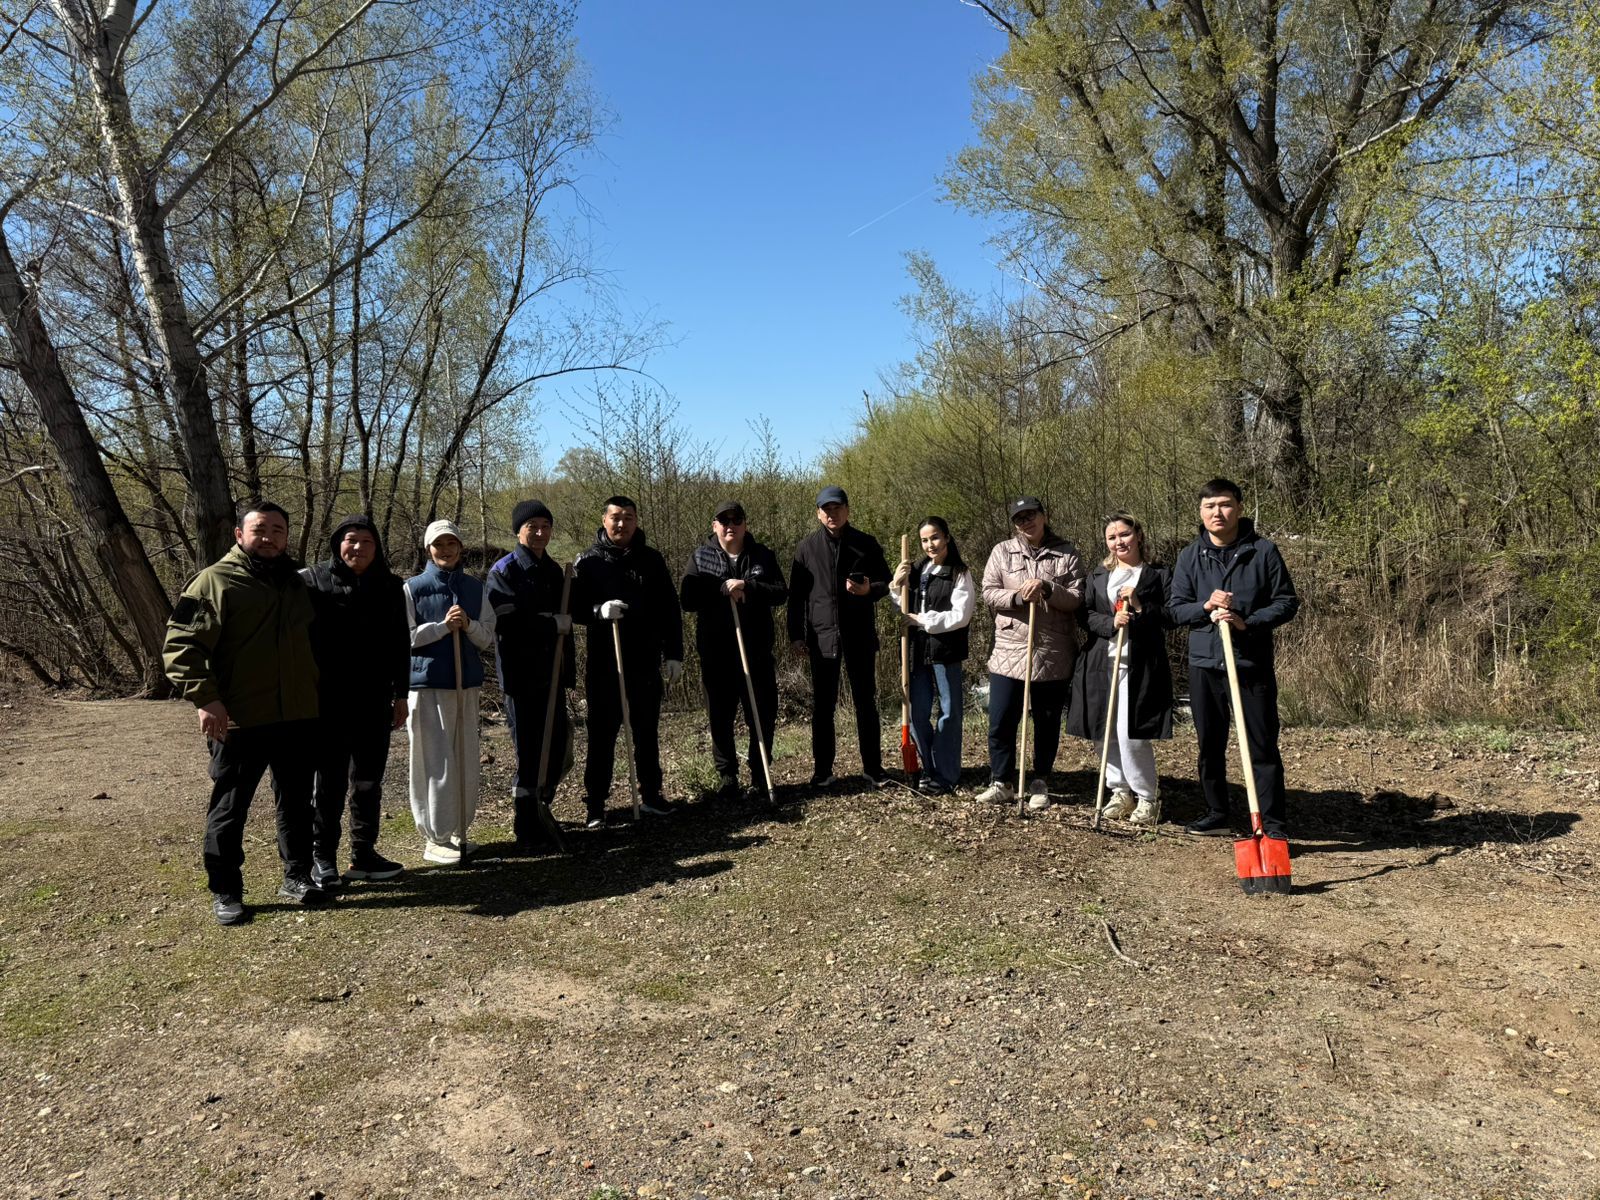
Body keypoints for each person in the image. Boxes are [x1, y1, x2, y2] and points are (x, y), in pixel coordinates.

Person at [163, 501, 324, 925]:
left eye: (278, 530)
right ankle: (226, 890)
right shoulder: (212, 582)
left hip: (296, 718)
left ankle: (297, 876)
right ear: (239, 535)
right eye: (259, 529)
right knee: (230, 807)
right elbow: (180, 648)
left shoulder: (295, 585)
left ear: (287, 538)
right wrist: (205, 699)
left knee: (296, 804)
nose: (269, 537)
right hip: (239, 720)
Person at [1168, 478, 1299, 837]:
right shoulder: (1190, 556)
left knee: (1261, 745)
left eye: (1225, 505)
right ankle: (1216, 811)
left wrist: (1247, 622)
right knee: (1210, 744)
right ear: (1201, 512)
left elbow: (1287, 602)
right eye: (1209, 506)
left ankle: (1272, 824)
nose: (1218, 513)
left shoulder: (1263, 551)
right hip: (1205, 665)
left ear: (1239, 508)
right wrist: (1205, 606)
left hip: (1250, 664)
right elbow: (1176, 609)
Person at [297, 516, 410, 889]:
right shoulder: (312, 581)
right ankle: (322, 859)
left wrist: (400, 694)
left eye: (366, 541)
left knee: (368, 782)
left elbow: (399, 644)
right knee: (329, 783)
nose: (357, 548)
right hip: (327, 703)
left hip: (374, 702)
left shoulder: (391, 586)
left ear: (376, 548)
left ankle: (364, 854)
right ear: (337, 544)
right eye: (350, 540)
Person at [573, 496, 684, 827]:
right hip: (605, 665)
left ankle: (650, 796)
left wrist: (674, 653)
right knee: (602, 736)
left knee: (647, 733)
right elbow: (574, 609)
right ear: (604, 520)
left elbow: (669, 609)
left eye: (629, 518)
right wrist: (598, 612)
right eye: (616, 517)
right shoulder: (588, 562)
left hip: (645, 661)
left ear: (637, 521)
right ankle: (595, 805)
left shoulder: (651, 560)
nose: (622, 524)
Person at [976, 496, 1086, 810]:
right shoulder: (1002, 551)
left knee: (1047, 722)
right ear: (1014, 524)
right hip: (1010, 650)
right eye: (1020, 518)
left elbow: (1077, 597)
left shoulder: (1066, 553)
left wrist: (1049, 589)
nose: (1026, 522)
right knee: (1000, 719)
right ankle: (1001, 781)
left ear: (1044, 515)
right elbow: (988, 591)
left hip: (1052, 651)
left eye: (1031, 515)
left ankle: (1040, 780)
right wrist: (1018, 598)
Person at [1066, 513, 1173, 825]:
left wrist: (1139, 606)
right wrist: (1110, 622)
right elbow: (1084, 615)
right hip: (1101, 663)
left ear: (1138, 535)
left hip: (1140, 664)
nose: (1118, 542)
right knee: (1105, 731)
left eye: (1124, 534)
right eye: (1112, 537)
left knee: (1132, 735)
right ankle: (1119, 790)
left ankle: (1147, 796)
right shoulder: (1099, 575)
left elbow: (1170, 616)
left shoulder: (1157, 574)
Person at [680, 500, 789, 800]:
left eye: (736, 520)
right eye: (723, 521)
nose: (730, 526)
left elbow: (781, 592)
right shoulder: (701, 557)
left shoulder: (762, 555)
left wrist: (749, 586)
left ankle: (760, 775)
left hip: (756, 651)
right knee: (720, 716)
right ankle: (728, 778)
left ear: (745, 524)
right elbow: (687, 598)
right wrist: (719, 589)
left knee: (762, 714)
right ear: (714, 525)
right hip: (716, 654)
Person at [403, 519, 496, 864]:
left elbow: (487, 636)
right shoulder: (413, 588)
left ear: (459, 547)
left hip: (465, 684)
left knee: (464, 759)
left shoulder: (475, 588)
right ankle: (435, 837)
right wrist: (443, 628)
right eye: (438, 545)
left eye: (451, 544)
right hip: (428, 687)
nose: (445, 550)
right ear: (428, 549)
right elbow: (405, 637)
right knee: (435, 761)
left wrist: (469, 626)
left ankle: (459, 831)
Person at [787, 485, 892, 789]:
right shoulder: (806, 549)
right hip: (821, 637)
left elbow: (886, 582)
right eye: (826, 509)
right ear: (818, 513)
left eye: (837, 508)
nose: (832, 514)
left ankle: (873, 768)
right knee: (823, 706)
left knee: (865, 703)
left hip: (858, 634)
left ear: (847, 509)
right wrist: (795, 635)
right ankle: (822, 771)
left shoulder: (866, 544)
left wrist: (868, 589)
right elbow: (796, 598)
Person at [488, 500, 576, 850]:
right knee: (529, 753)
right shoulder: (504, 571)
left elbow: (573, 608)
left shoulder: (554, 570)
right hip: (521, 676)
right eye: (532, 526)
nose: (540, 532)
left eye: (545, 525)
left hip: (552, 674)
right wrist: (548, 623)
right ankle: (526, 825)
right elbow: (505, 618)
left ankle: (542, 806)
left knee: (556, 748)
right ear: (518, 530)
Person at [891, 516, 974, 796]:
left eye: (935, 537)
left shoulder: (959, 573)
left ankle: (946, 773)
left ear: (947, 537)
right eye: (925, 540)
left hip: (945, 651)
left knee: (949, 713)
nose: (930, 544)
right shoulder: (918, 570)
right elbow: (902, 608)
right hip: (916, 651)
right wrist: (896, 584)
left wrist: (923, 620)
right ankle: (928, 766)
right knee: (916, 713)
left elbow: (960, 616)